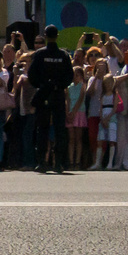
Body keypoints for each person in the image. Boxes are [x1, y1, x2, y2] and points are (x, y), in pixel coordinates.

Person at [28, 32, 74, 171]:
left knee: (42, 129)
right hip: (58, 94)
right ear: (57, 36)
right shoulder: (63, 55)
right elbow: (69, 77)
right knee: (60, 129)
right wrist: (58, 85)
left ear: (46, 36)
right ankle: (58, 163)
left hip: (44, 95)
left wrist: (41, 86)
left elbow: (32, 75)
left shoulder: (40, 54)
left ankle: (42, 162)